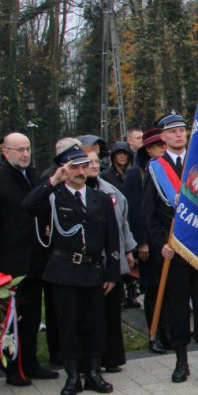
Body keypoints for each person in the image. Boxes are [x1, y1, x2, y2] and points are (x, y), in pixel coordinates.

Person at [23, 144, 119, 395]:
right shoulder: (54, 197)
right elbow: (28, 206)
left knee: (95, 324)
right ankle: (73, 376)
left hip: (94, 271)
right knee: (69, 325)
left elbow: (112, 237)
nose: (79, 171)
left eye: (83, 166)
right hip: (65, 271)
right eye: (73, 167)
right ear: (64, 169)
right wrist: (54, 180)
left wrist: (111, 272)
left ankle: (95, 373)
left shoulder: (100, 198)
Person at [0, 132, 59, 386]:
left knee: (32, 315)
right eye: (19, 150)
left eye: (27, 149)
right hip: (8, 261)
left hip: (34, 258)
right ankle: (11, 367)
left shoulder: (33, 176)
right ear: (5, 152)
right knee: (10, 316)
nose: (24, 154)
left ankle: (30, 362)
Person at [143, 111, 198, 384]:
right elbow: (149, 214)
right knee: (176, 309)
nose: (178, 135)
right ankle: (180, 362)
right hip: (173, 251)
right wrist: (160, 244)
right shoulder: (155, 169)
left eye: (181, 130)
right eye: (172, 132)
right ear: (162, 138)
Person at [83, 148, 136, 372]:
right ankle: (89, 360)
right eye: (89, 163)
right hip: (86, 262)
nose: (95, 166)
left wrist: (128, 249)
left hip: (112, 257)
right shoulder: (71, 192)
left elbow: (123, 222)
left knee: (111, 310)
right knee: (90, 314)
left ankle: (112, 358)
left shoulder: (110, 191)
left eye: (97, 162)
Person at [124, 128, 169, 344]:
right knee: (153, 288)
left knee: (170, 288)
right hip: (149, 241)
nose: (164, 148)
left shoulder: (169, 169)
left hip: (166, 238)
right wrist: (141, 241)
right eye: (159, 145)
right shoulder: (137, 172)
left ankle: (169, 331)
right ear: (148, 149)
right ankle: (154, 333)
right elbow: (135, 209)